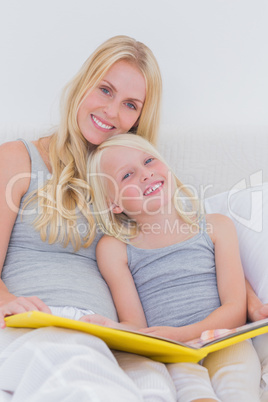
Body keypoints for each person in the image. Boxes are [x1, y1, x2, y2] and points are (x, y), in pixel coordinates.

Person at [0, 35, 179, 401]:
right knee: (78, 375)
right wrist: (6, 301)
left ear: (138, 119)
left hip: (111, 335)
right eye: (105, 90)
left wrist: (250, 302)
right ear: (84, 84)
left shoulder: (135, 185)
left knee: (157, 387)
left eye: (130, 104)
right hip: (35, 323)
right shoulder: (18, 159)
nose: (112, 112)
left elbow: (191, 244)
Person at [83, 133, 261, 402]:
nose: (145, 174)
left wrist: (182, 335)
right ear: (114, 204)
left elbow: (235, 308)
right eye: (127, 175)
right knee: (190, 389)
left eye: (149, 160)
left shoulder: (215, 226)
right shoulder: (114, 248)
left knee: (237, 385)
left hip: (225, 339)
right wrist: (110, 328)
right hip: (170, 352)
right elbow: (136, 325)